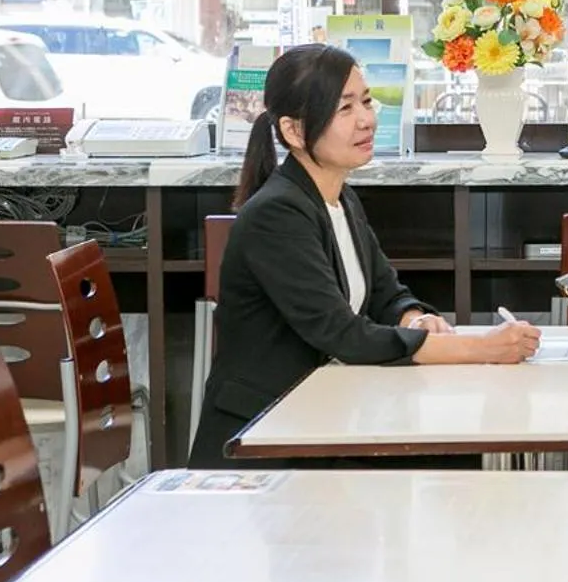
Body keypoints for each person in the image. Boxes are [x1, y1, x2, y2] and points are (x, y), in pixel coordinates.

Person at [188, 44, 541, 468]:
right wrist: (480, 349)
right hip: (269, 435)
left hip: (323, 412)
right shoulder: (277, 214)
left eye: (367, 101)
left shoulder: (339, 198)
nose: (367, 119)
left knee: (453, 453)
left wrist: (413, 316)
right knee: (446, 459)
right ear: (294, 131)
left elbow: (384, 293)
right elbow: (344, 335)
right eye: (344, 108)